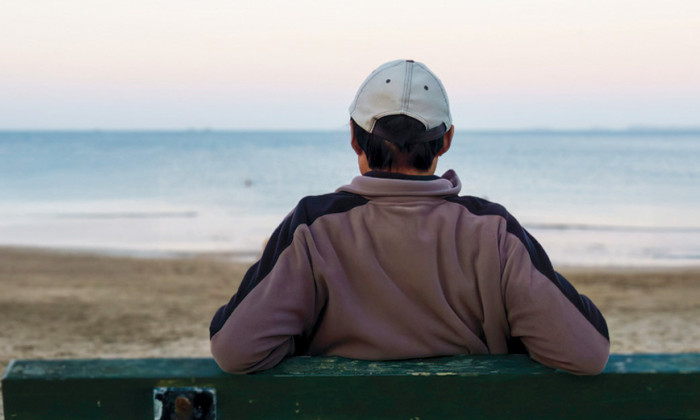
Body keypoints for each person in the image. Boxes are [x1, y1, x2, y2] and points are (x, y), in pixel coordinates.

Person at [209, 59, 610, 375]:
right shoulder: (493, 230)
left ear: (353, 136)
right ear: (447, 139)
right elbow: (587, 353)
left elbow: (234, 350)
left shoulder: (314, 226)